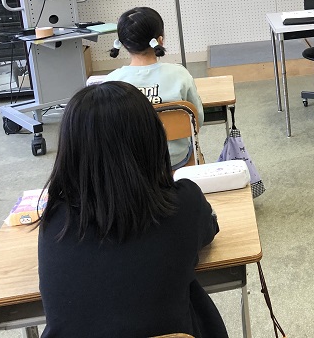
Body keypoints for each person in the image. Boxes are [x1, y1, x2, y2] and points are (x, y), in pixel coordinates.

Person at [38, 81, 227, 338]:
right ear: (153, 138)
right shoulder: (183, 205)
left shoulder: (54, 221)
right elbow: (208, 230)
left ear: (69, 149)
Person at [106, 6, 204, 169]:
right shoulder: (179, 74)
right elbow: (197, 120)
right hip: (175, 159)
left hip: (130, 164)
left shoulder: (112, 81)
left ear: (122, 44)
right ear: (160, 40)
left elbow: (108, 130)